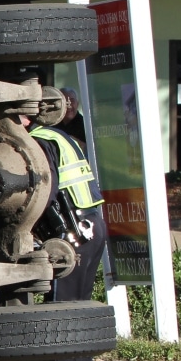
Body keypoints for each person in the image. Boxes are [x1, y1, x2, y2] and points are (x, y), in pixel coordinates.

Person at [26, 89, 107, 302]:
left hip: (71, 230)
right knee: (80, 305)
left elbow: (46, 191)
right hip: (92, 225)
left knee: (60, 307)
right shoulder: (58, 135)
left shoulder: (38, 142)